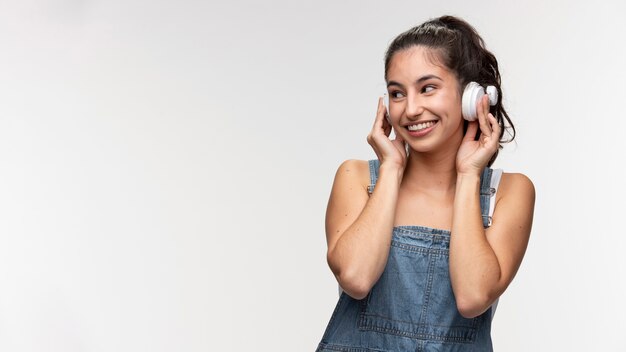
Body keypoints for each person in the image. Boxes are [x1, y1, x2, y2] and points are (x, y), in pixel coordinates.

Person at [316, 16, 535, 352]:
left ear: (471, 97)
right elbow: (356, 279)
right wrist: (391, 168)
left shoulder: (509, 192)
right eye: (397, 93)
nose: (411, 109)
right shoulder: (357, 178)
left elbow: (473, 297)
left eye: (427, 88)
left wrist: (468, 175)